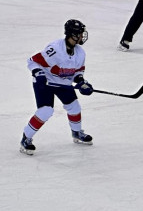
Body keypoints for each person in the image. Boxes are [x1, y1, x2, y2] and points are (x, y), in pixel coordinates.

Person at [19, 19, 94, 155]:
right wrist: (39, 74)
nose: (82, 36)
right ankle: (26, 138)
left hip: (63, 83)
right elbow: (32, 61)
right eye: (80, 34)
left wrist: (82, 82)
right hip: (45, 82)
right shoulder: (55, 49)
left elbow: (78, 72)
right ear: (72, 35)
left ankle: (76, 133)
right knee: (45, 111)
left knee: (74, 107)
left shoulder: (80, 53)